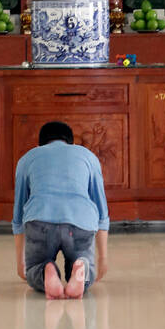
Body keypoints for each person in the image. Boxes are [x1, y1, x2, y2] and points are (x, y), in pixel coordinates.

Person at [13, 120, 109, 299]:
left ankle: (45, 270)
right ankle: (81, 267)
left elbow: (18, 216)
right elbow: (102, 212)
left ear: (40, 143)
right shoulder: (87, 156)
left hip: (40, 222)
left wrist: (21, 262)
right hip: (79, 224)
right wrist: (103, 257)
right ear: (71, 142)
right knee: (87, 269)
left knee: (34, 269)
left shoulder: (28, 158)